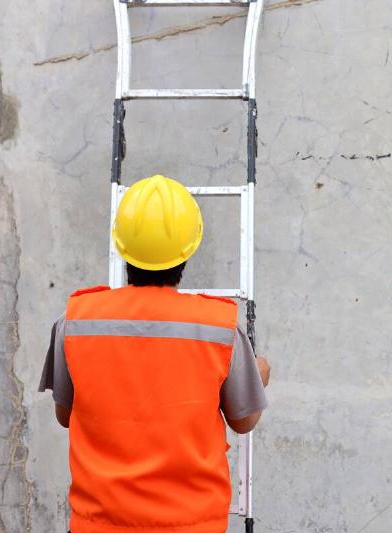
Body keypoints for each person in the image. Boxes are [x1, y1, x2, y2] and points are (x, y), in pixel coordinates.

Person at [39, 174, 270, 533]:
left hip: (100, 523)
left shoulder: (76, 321)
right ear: (189, 249)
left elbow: (65, 415)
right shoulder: (218, 327)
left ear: (122, 244)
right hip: (192, 525)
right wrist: (260, 375)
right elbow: (243, 421)